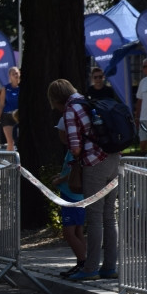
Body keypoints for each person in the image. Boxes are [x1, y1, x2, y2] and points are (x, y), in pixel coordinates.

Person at [48, 78, 119, 281]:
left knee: (95, 217)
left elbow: (76, 147)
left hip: (95, 163)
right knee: (109, 216)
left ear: (55, 98)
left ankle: (90, 269)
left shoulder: (71, 109)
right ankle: (109, 267)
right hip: (113, 159)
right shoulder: (87, 101)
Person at [50, 118, 87, 278]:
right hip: (74, 196)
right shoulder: (72, 148)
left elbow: (74, 170)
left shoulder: (74, 147)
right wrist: (61, 175)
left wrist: (59, 180)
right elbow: (69, 169)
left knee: (69, 232)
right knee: (78, 231)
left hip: (72, 197)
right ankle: (82, 262)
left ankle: (83, 261)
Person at [0, 66, 20, 151]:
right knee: (10, 142)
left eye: (17, 73)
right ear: (9, 76)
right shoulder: (6, 88)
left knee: (20, 141)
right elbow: (2, 104)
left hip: (19, 116)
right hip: (7, 116)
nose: (15, 75)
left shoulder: (23, 87)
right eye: (13, 74)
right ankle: (9, 161)